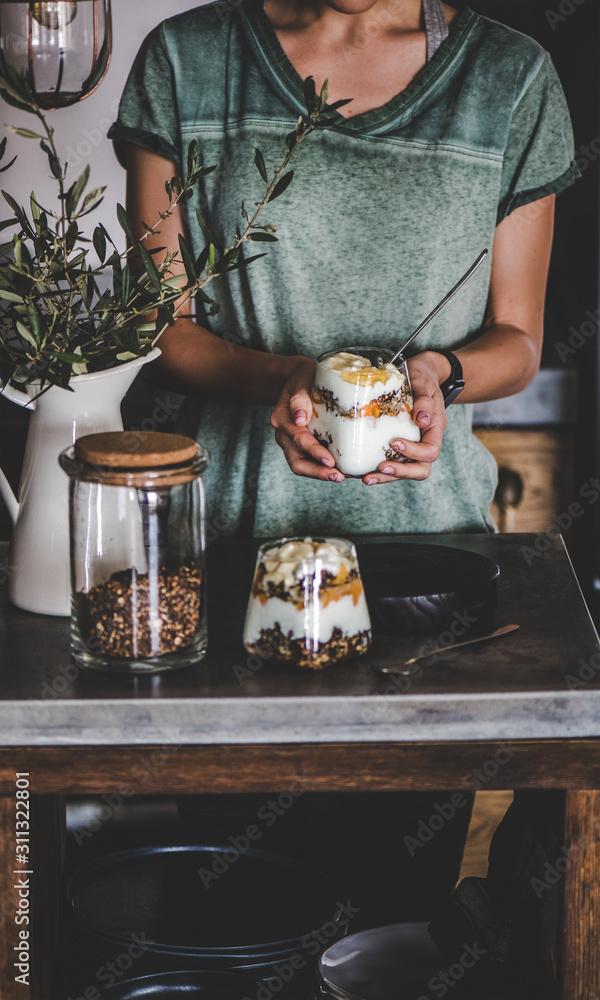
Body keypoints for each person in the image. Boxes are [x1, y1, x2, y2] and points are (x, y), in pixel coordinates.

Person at [108, 0, 578, 933]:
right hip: (236, 545)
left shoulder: (509, 77)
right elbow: (162, 331)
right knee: (234, 905)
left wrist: (442, 374)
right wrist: (281, 376)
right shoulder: (190, 61)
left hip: (429, 570)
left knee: (394, 913)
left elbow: (518, 339)